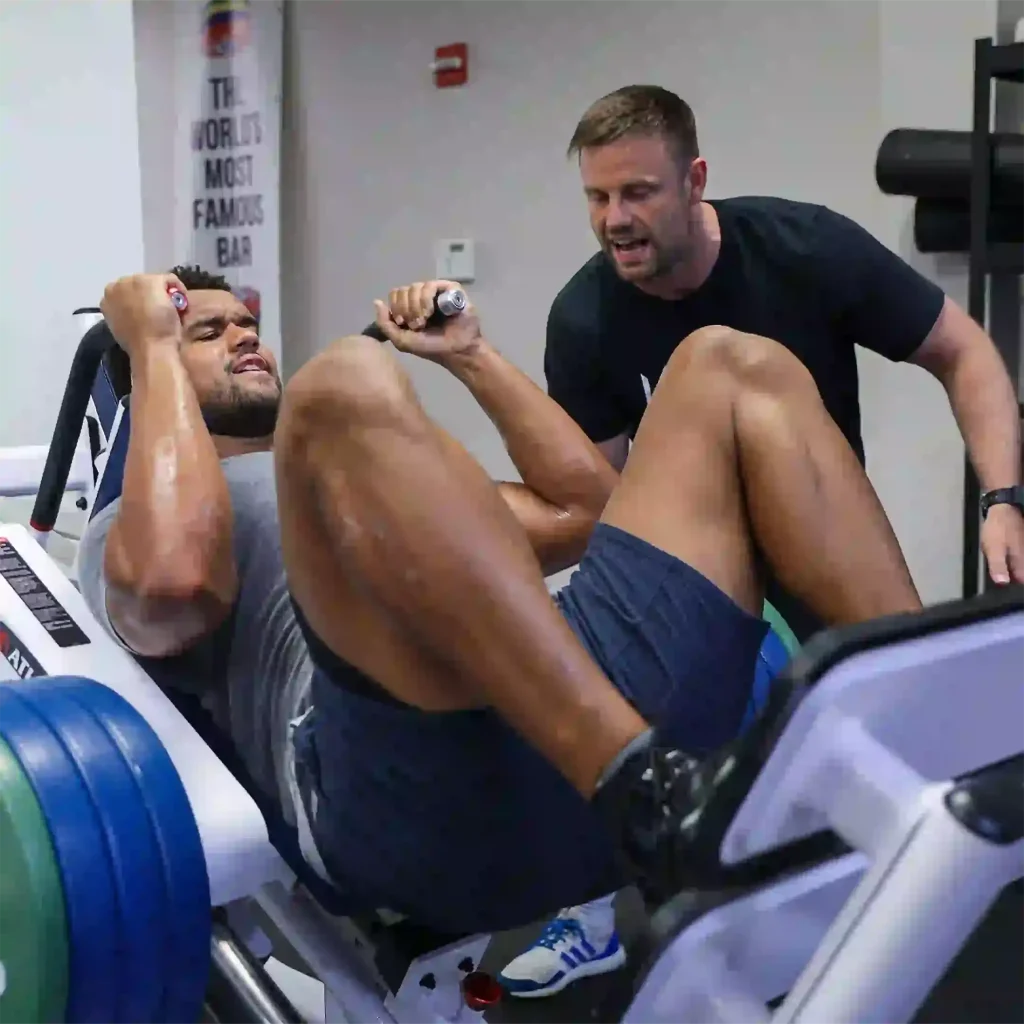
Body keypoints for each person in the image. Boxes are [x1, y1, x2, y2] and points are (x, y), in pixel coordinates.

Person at [78, 266, 921, 943]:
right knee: (342, 377)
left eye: (248, 326)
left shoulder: (372, 477)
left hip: (565, 701)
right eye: (208, 331)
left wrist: (470, 355)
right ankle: (640, 787)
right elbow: (176, 586)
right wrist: (148, 341)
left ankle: (937, 733)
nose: (246, 340)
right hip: (410, 788)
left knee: (730, 362)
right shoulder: (127, 530)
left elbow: (586, 513)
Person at [501, 83, 1024, 998]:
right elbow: (598, 509)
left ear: (695, 179)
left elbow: (964, 352)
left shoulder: (802, 246)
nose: (614, 220)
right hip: (706, 578)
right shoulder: (582, 318)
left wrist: (1005, 500)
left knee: (905, 745)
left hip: (821, 539)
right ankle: (594, 902)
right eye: (596, 198)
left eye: (637, 193)